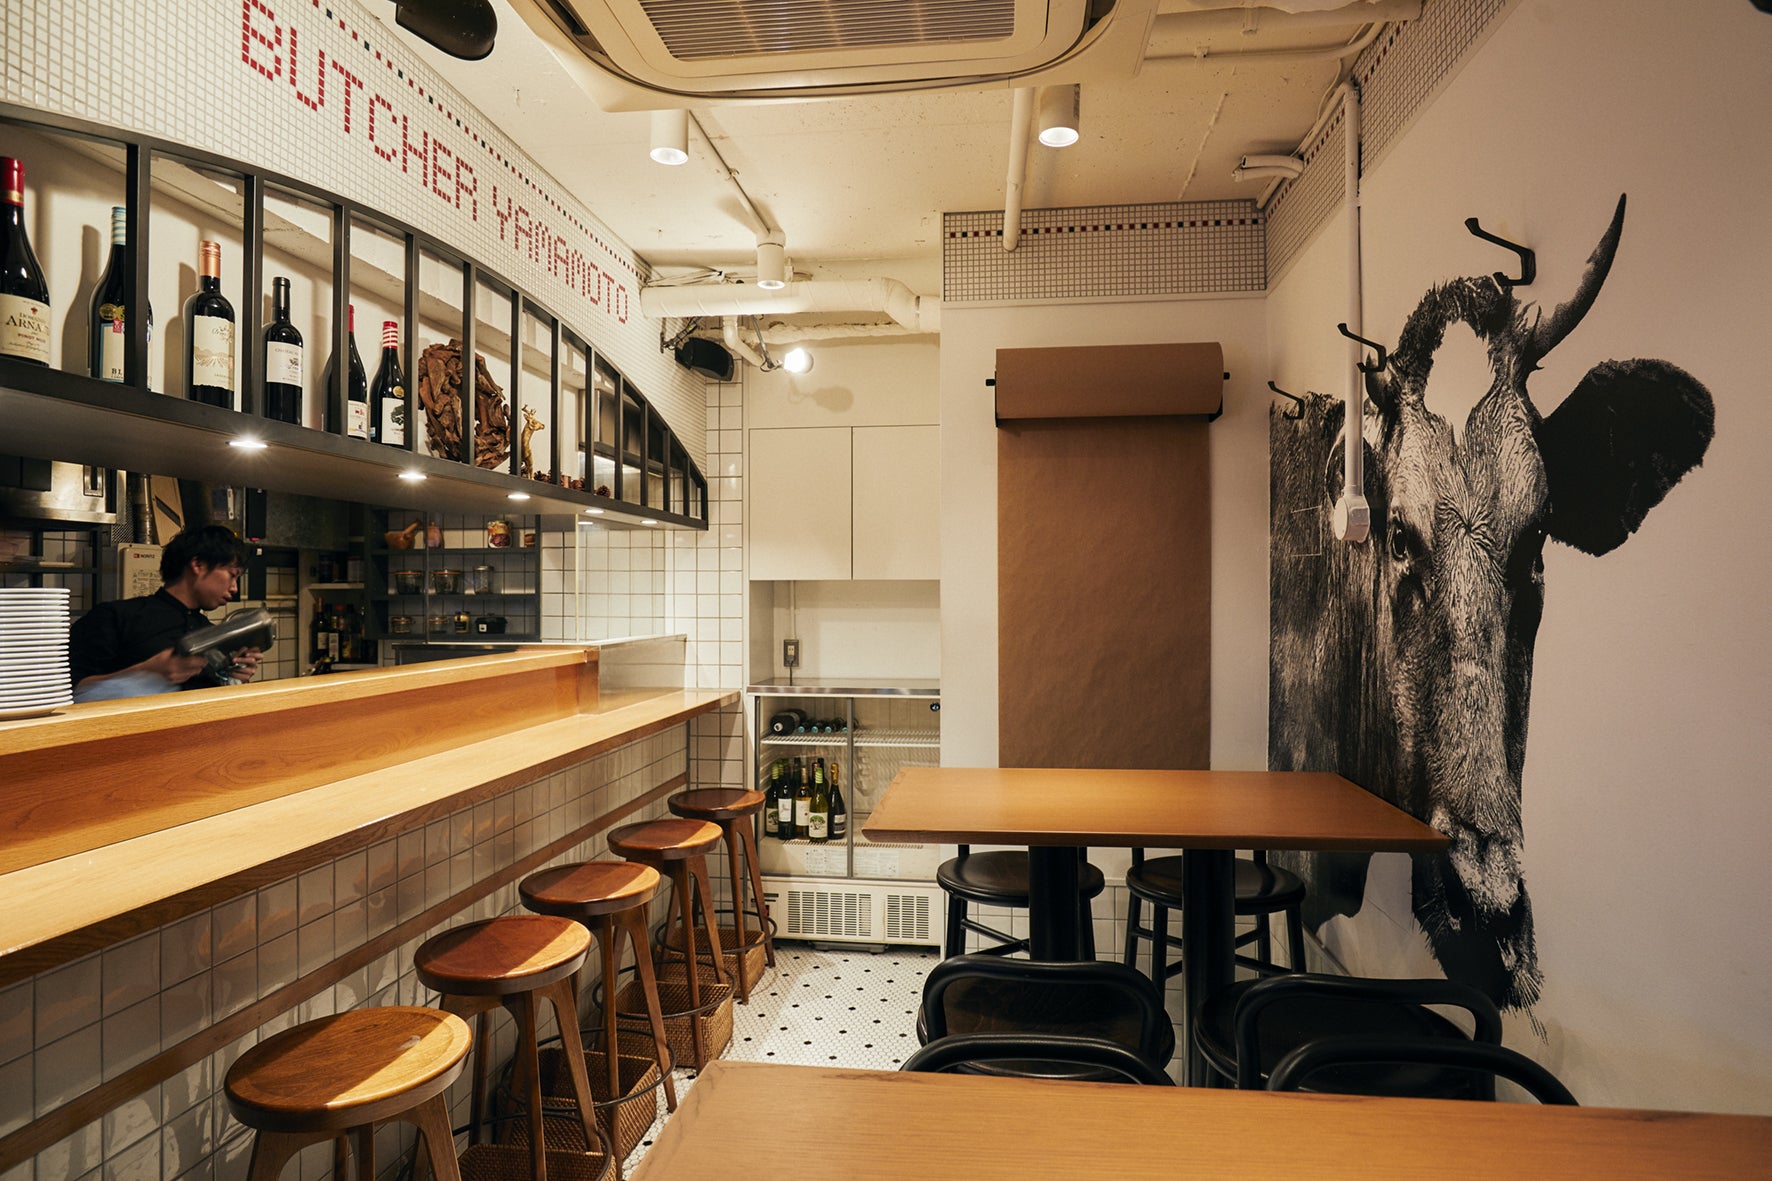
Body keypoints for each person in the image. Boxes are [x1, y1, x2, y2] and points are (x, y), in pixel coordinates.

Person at [69, 524, 264, 697]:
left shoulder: (210, 634)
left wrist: (236, 677)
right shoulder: (115, 617)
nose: (234, 588)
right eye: (232, 575)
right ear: (198, 565)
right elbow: (74, 692)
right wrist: (148, 673)